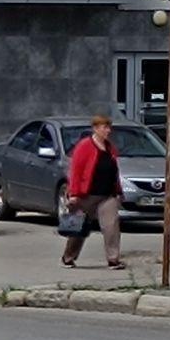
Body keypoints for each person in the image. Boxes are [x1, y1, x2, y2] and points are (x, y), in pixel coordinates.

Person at [62, 112, 126, 269]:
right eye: (105, 127)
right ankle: (68, 256)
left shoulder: (110, 148)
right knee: (79, 227)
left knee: (111, 226)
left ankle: (113, 259)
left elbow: (113, 170)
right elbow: (75, 171)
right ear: (95, 128)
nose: (108, 131)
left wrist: (118, 190)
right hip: (86, 195)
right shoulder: (84, 146)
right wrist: (74, 194)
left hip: (107, 194)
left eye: (109, 127)